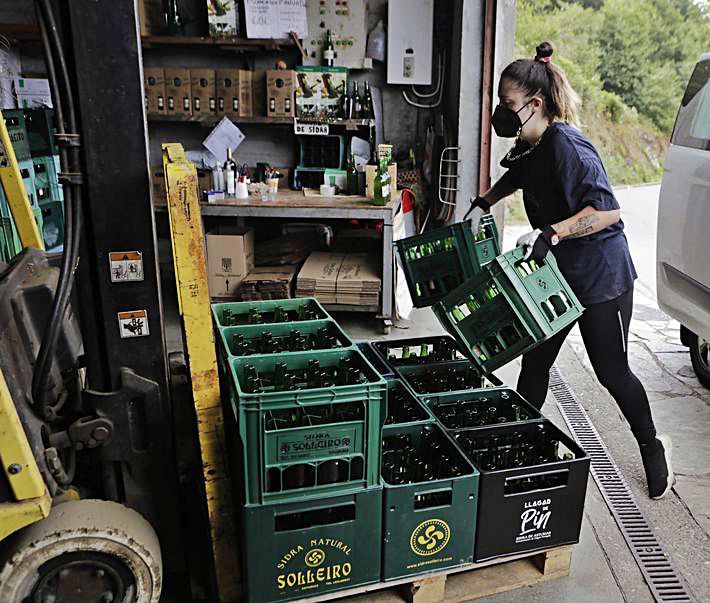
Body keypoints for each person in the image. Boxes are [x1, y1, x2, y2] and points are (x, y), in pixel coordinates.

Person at [468, 42, 673, 499]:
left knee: (612, 372)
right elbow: (517, 176)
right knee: (535, 357)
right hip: (556, 276)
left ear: (534, 104)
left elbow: (607, 212)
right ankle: (518, 442)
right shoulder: (530, 143)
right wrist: (486, 199)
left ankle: (652, 446)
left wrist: (553, 233)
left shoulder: (569, 147)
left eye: (507, 105)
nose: (501, 113)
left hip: (601, 278)